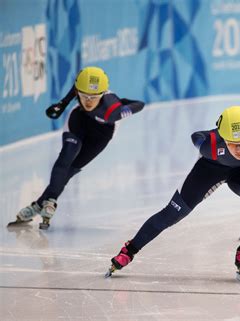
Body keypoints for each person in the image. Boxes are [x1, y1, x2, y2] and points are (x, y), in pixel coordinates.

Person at [106, 106, 240, 281]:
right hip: (211, 169)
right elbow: (197, 136)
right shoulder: (210, 146)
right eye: (232, 144)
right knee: (172, 213)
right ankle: (130, 250)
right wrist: (201, 145)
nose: (239, 150)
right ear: (223, 140)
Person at [9, 66, 145, 229]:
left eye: (93, 97)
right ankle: (50, 201)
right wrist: (63, 103)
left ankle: (38, 206)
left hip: (101, 135)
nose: (88, 101)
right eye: (83, 96)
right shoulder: (82, 94)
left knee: (71, 169)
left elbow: (140, 104)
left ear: (101, 95)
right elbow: (77, 87)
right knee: (65, 157)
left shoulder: (111, 109)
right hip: (79, 121)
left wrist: (125, 111)